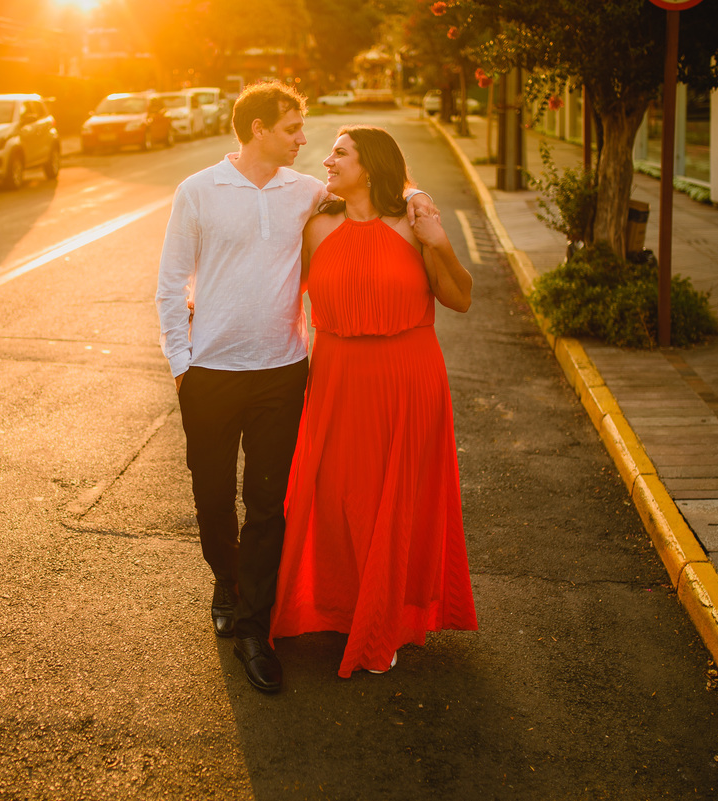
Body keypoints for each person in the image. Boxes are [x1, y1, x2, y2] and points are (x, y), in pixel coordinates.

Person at [155, 86, 437, 694]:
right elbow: (171, 282)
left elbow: (381, 188)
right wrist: (181, 363)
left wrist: (418, 198)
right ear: (258, 129)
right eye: (292, 129)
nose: (303, 141)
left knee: (267, 502)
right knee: (211, 497)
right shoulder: (198, 191)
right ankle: (227, 580)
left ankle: (254, 627)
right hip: (209, 371)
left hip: (282, 371)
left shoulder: (306, 192)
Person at [268, 125, 478, 678]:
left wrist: (438, 241)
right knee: (342, 495)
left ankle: (382, 620)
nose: (327, 160)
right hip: (337, 376)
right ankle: (344, 606)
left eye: (340, 153)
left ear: (371, 166)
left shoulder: (413, 224)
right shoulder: (317, 226)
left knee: (397, 501)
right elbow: (279, 289)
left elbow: (459, 298)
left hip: (408, 376)